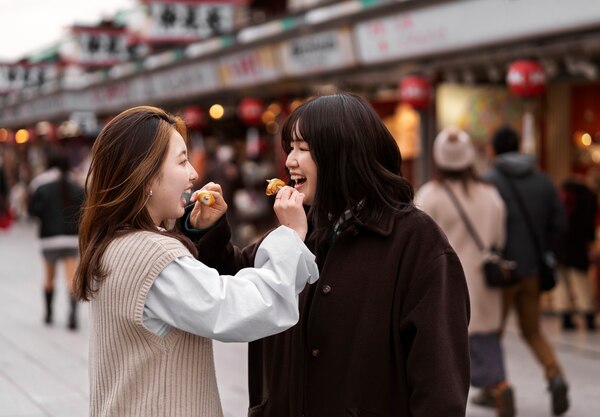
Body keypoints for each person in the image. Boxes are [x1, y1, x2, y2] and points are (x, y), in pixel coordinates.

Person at [191, 93, 470, 417]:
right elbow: (239, 278)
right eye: (290, 148)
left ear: (342, 154)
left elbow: (439, 380)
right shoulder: (300, 226)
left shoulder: (416, 241)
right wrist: (209, 230)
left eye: (303, 149)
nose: (290, 161)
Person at [72, 106, 319, 417]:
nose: (193, 174)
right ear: (145, 174)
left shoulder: (117, 243)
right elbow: (244, 308)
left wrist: (196, 230)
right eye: (182, 161)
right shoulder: (150, 255)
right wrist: (291, 235)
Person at [415, 127, 514, 417]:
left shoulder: (430, 195)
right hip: (482, 280)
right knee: (484, 338)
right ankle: (499, 383)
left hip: (443, 280)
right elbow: (499, 237)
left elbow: (418, 241)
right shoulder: (490, 193)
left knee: (444, 347)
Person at [483, 126, 569, 416]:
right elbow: (560, 224)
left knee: (492, 332)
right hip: (532, 269)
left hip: (502, 272)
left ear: (494, 150)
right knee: (532, 331)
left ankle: (497, 387)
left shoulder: (489, 182)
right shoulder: (543, 181)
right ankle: (555, 374)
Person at [28, 147, 84, 329]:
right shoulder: (76, 185)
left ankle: (49, 313)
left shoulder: (40, 185)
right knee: (71, 277)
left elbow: (33, 211)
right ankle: (73, 315)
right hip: (70, 238)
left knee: (49, 277)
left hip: (49, 238)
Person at [553, 172, 599, 331]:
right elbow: (590, 224)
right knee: (581, 281)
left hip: (559, 245)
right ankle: (588, 316)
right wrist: (591, 242)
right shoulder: (589, 197)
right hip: (578, 245)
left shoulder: (559, 196)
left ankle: (565, 317)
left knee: (561, 282)